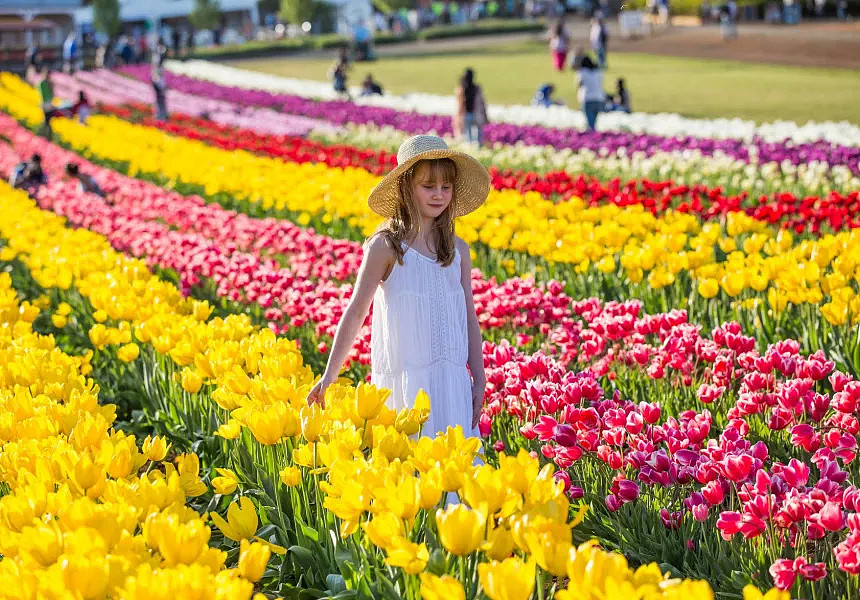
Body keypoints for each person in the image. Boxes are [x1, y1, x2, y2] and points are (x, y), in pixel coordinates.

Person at [306, 134, 490, 440]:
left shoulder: (457, 250)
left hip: (452, 383)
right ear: (406, 187)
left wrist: (479, 378)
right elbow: (355, 312)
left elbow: (469, 317)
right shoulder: (386, 247)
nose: (438, 195)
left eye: (446, 187)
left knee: (454, 474)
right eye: (428, 186)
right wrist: (329, 376)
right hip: (405, 386)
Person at [454, 68, 489, 146]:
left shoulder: (462, 88)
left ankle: (470, 147)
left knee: (468, 134)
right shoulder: (476, 88)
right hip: (476, 113)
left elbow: (459, 105)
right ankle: (478, 146)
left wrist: (458, 117)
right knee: (478, 133)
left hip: (466, 114)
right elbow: (482, 102)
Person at [577, 55, 605, 131]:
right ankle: (595, 137)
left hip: (588, 98)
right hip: (599, 98)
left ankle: (592, 139)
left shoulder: (582, 72)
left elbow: (579, 84)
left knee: (590, 124)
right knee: (594, 122)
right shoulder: (598, 71)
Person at [37, 68, 55, 139]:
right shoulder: (42, 83)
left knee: (48, 121)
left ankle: (47, 135)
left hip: (48, 104)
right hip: (45, 104)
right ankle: (44, 135)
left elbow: (52, 94)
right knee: (46, 120)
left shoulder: (49, 83)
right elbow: (43, 95)